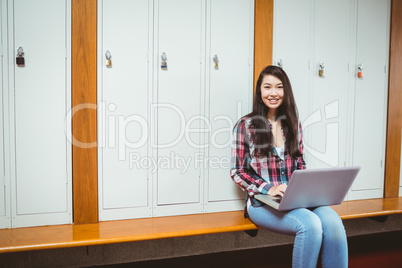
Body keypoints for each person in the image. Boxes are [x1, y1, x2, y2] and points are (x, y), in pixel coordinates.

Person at [230, 65, 348, 268]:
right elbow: (237, 171)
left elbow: (300, 163)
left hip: (296, 198)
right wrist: (270, 188)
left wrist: (309, 188)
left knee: (334, 223)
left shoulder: (293, 123)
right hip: (262, 202)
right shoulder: (246, 125)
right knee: (310, 225)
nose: (273, 93)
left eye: (279, 87)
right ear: (260, 91)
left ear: (286, 91)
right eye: (267, 87)